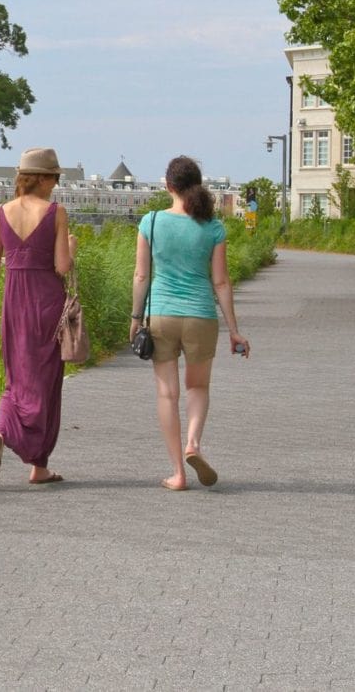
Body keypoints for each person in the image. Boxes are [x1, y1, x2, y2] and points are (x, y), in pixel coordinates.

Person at [131, 156, 249, 492]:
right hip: (201, 316)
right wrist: (234, 330)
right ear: (197, 185)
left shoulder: (150, 223)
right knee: (197, 387)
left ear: (168, 185)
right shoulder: (213, 228)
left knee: (167, 395)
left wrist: (135, 318)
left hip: (162, 316)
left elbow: (141, 275)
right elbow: (222, 283)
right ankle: (193, 444)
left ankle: (177, 474)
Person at [0, 147, 77, 486]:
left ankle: (4, 433)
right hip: (46, 301)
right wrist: (72, 249)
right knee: (46, 383)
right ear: (43, 178)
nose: (57, 184)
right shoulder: (55, 212)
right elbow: (62, 267)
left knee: (15, 379)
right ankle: (38, 465)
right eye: (55, 177)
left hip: (13, 302)